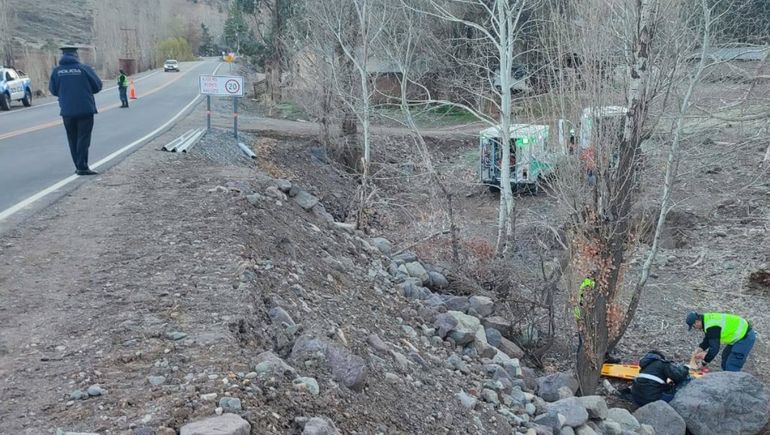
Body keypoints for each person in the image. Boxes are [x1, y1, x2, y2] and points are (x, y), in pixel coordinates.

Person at [49, 46, 103, 176]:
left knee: (72, 139)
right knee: (83, 138)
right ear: (76, 55)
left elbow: (53, 90)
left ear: (63, 56)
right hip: (85, 109)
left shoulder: (57, 71)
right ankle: (82, 167)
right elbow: (97, 86)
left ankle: (79, 166)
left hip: (67, 111)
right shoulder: (85, 69)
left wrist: (65, 94)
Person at [686, 311, 756, 372]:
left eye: (694, 326)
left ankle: (732, 382)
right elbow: (709, 337)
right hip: (738, 335)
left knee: (732, 364)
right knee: (725, 357)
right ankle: (726, 376)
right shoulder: (706, 320)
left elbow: (714, 348)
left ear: (696, 322)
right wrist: (701, 348)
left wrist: (704, 362)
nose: (695, 328)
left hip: (745, 337)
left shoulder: (712, 326)